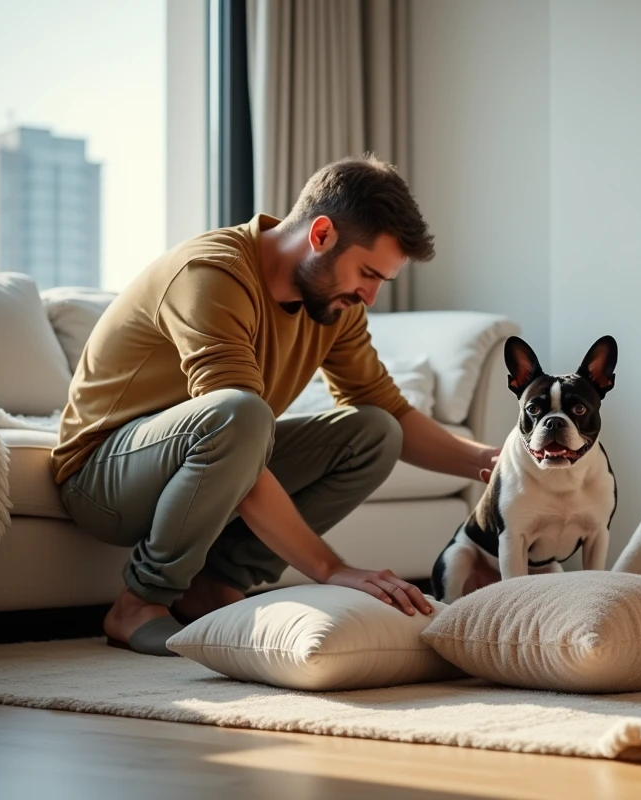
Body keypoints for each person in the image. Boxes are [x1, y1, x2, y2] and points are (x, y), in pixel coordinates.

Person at [50, 154, 501, 656]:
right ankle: (138, 604)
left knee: (374, 433)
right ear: (322, 234)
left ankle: (214, 587)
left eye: (381, 282)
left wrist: (494, 463)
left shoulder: (333, 307)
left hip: (205, 460)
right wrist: (332, 569)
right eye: (367, 273)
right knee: (241, 414)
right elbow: (232, 428)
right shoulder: (212, 274)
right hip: (104, 478)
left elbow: (387, 409)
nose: (370, 296)